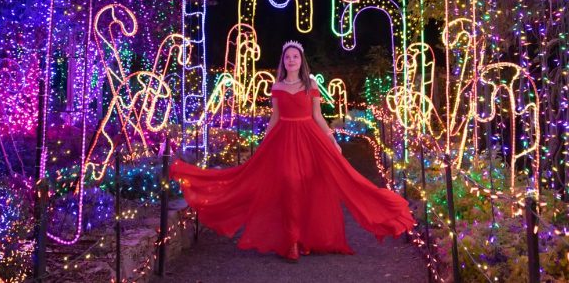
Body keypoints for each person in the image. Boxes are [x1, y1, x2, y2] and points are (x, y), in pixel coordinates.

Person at [169, 40, 415, 261]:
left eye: (295, 56)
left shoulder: (311, 86)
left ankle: (307, 239)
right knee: (290, 183)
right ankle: (292, 242)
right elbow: (275, 118)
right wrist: (264, 143)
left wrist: (332, 139)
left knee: (317, 185)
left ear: (301, 60)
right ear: (283, 61)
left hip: (309, 139)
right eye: (287, 56)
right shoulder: (276, 87)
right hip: (283, 139)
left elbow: (317, 116)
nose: (291, 60)